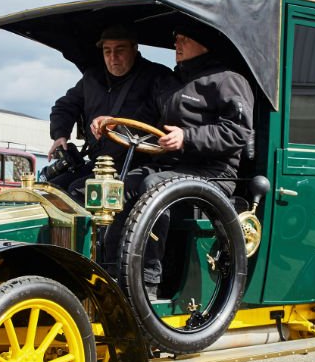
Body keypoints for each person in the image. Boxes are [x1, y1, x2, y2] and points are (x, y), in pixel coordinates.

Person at [96, 22, 255, 297]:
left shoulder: (228, 80)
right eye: (176, 38)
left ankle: (147, 282)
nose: (176, 45)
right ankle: (109, 270)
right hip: (172, 168)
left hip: (214, 174)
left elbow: (237, 131)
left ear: (203, 43)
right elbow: (142, 121)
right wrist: (111, 123)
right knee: (121, 183)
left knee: (154, 185)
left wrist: (187, 137)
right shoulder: (170, 83)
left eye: (184, 39)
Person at [46, 24, 174, 202]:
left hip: (139, 165)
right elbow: (65, 105)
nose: (113, 58)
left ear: (135, 48)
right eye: (107, 51)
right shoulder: (92, 78)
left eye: (119, 50)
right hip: (99, 163)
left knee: (79, 192)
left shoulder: (158, 77)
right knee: (50, 190)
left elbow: (162, 119)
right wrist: (60, 134)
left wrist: (117, 125)